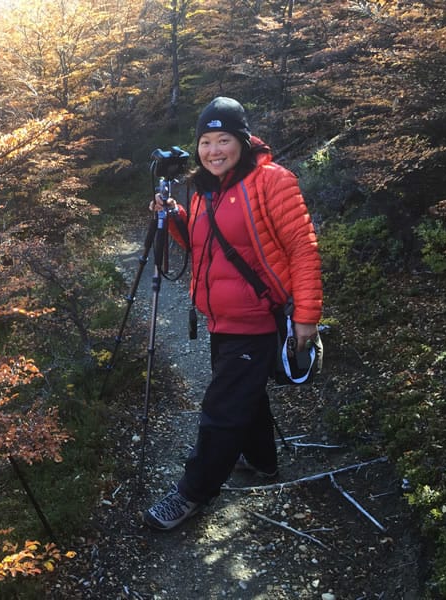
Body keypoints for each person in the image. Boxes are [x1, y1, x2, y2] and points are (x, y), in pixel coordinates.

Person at [144, 97, 323, 531]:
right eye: (206, 141)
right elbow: (206, 248)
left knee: (222, 411)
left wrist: (307, 316)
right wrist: (175, 217)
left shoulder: (272, 181)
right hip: (222, 320)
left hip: (258, 320)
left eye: (223, 139)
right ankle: (263, 461)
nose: (213, 150)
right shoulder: (205, 189)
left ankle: (192, 493)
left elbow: (303, 249)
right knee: (247, 396)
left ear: (242, 141)